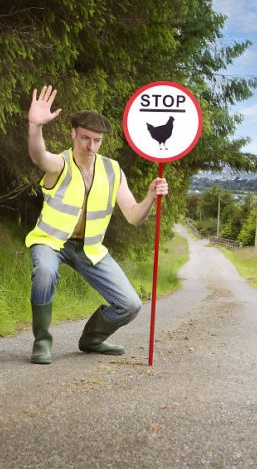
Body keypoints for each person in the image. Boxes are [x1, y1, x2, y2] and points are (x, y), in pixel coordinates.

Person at [25, 85, 169, 364]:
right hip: (51, 241)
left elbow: (133, 216)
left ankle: (91, 339)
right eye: (85, 139)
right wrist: (35, 126)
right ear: (73, 135)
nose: (91, 146)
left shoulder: (112, 170)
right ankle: (42, 341)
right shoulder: (61, 163)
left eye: (97, 140)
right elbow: (38, 156)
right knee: (44, 272)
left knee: (130, 305)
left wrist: (150, 196)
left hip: (89, 248)